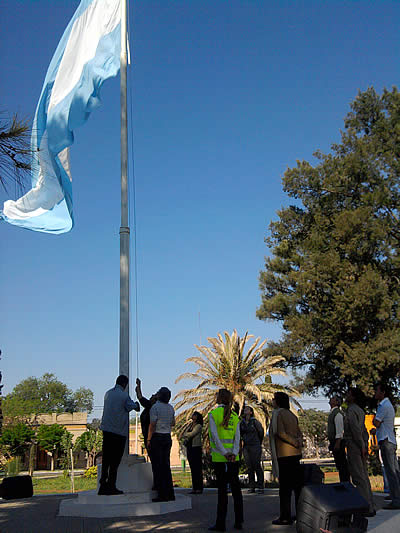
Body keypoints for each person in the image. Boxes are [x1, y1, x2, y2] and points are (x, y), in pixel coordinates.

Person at [208, 388, 243, 532]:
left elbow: (215, 437)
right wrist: (233, 453)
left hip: (220, 458)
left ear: (219, 398)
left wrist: (224, 453)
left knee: (222, 491)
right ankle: (239, 521)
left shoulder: (213, 414)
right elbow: (237, 438)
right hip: (234, 459)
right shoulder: (235, 416)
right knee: (236, 490)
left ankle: (220, 523)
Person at [98, 374, 140, 495]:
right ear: (125, 384)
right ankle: (111, 486)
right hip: (118, 432)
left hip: (106, 430)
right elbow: (133, 407)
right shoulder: (124, 396)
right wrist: (137, 404)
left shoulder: (108, 393)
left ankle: (103, 486)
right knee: (115, 461)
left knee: (106, 459)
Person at [269, 391, 303, 526]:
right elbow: (299, 432)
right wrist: (298, 442)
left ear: (278, 401)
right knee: (297, 487)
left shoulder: (278, 413)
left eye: (274, 399)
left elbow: (279, 432)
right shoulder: (292, 415)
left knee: (284, 489)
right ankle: (301, 514)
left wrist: (293, 442)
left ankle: (285, 516)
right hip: (296, 454)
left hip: (284, 454)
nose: (272, 401)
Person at [343, 387, 375, 517]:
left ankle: (366, 506)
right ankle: (370, 504)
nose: (346, 396)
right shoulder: (360, 410)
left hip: (354, 444)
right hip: (360, 444)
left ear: (353, 397)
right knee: (364, 476)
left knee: (358, 477)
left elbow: (356, 430)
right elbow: (363, 430)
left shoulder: (351, 410)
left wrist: (361, 445)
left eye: (348, 394)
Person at [372, 383, 400, 510]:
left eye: (377, 391)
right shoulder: (387, 405)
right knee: (394, 471)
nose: (375, 393)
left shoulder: (383, 406)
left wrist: (375, 422)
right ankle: (396, 496)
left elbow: (377, 422)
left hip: (386, 441)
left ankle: (396, 500)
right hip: (389, 440)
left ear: (383, 393)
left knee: (391, 472)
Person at [147, 386, 175, 502]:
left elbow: (152, 425)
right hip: (167, 437)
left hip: (157, 437)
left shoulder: (155, 407)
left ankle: (162, 494)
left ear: (159, 395)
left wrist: (149, 439)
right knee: (166, 466)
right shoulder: (170, 408)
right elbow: (173, 423)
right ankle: (170, 494)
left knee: (158, 467)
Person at [240, 405, 264, 494]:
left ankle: (260, 486)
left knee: (256, 465)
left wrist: (258, 441)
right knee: (249, 467)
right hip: (246, 446)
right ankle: (252, 486)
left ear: (251, 412)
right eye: (244, 409)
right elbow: (240, 433)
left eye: (247, 409)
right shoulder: (241, 423)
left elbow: (261, 432)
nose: (245, 411)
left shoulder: (255, 422)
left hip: (255, 445)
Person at [327, 395, 350, 483]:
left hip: (338, 442)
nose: (331, 399)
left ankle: (345, 481)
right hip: (335, 441)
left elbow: (339, 429)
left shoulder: (337, 414)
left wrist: (337, 442)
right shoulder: (333, 413)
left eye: (333, 398)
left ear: (337, 402)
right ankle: (343, 481)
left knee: (342, 464)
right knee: (339, 464)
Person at [183, 411, 204, 494]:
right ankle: (194, 487)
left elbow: (191, 434)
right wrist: (187, 434)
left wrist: (186, 434)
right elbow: (186, 433)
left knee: (197, 469)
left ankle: (199, 487)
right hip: (190, 447)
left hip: (196, 448)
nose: (192, 416)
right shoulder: (190, 425)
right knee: (192, 468)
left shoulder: (198, 426)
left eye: (194, 415)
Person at [135, 378, 157, 455]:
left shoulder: (150, 406)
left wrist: (139, 386)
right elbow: (139, 396)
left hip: (150, 438)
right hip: (149, 437)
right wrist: (138, 387)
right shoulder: (151, 406)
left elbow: (140, 397)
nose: (152, 395)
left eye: (154, 396)